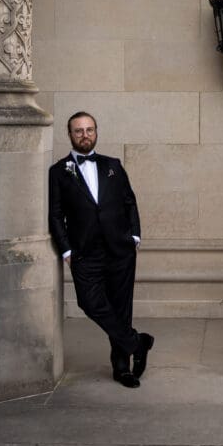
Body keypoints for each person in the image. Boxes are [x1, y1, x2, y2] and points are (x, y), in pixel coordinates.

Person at [48, 110, 154, 388]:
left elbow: (129, 202)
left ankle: (123, 369)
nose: (85, 135)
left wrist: (135, 236)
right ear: (69, 135)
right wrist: (67, 252)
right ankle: (137, 343)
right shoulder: (59, 172)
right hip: (84, 253)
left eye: (89, 130)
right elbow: (55, 215)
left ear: (96, 132)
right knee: (90, 302)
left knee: (121, 309)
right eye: (79, 131)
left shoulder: (113, 166)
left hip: (120, 250)